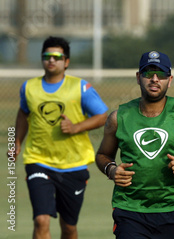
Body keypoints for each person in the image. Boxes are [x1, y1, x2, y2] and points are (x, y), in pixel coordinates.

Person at [95, 50, 174, 239]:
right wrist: (111, 170)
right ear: (138, 78)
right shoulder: (118, 118)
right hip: (130, 210)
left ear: (169, 80)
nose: (154, 79)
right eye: (148, 73)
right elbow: (102, 155)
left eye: (161, 74)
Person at [9, 36, 108, 239]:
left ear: (66, 62)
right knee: (41, 220)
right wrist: (16, 142)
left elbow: (102, 116)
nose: (51, 60)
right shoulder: (28, 88)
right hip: (38, 161)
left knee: (69, 227)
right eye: (47, 56)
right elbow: (23, 113)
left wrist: (76, 127)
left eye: (56, 56)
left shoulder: (81, 88)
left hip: (74, 165)